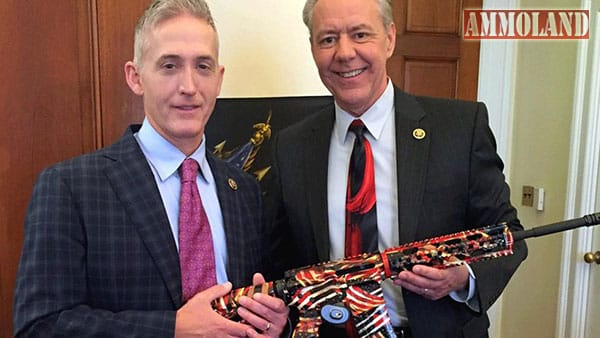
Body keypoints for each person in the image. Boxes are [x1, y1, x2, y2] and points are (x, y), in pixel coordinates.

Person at [13, 0, 289, 337]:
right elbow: (39, 326)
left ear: (218, 79)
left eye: (202, 66)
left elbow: (260, 306)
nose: (188, 86)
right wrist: (171, 329)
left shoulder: (243, 190)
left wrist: (271, 322)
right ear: (135, 77)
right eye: (169, 66)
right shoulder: (70, 188)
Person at [266, 0, 527, 337]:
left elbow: (508, 235)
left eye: (360, 34)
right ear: (313, 49)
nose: (344, 53)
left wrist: (463, 275)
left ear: (389, 39)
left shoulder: (460, 128)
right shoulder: (291, 145)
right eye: (328, 39)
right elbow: (280, 260)